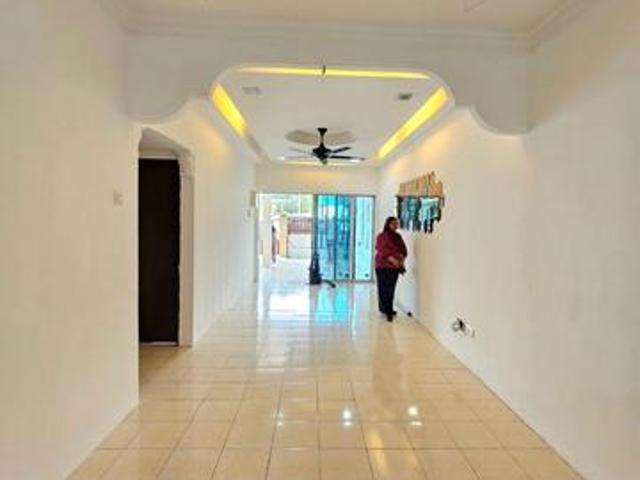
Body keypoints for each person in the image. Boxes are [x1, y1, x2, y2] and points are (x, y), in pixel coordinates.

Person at [375, 216, 407, 322]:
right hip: (382, 266)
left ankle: (388, 309)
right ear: (388, 224)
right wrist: (392, 259)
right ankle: (387, 310)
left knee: (391, 289)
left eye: (396, 223)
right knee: (383, 289)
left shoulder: (398, 237)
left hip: (394, 267)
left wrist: (401, 260)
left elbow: (403, 250)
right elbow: (381, 249)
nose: (395, 225)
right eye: (393, 223)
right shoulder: (382, 236)